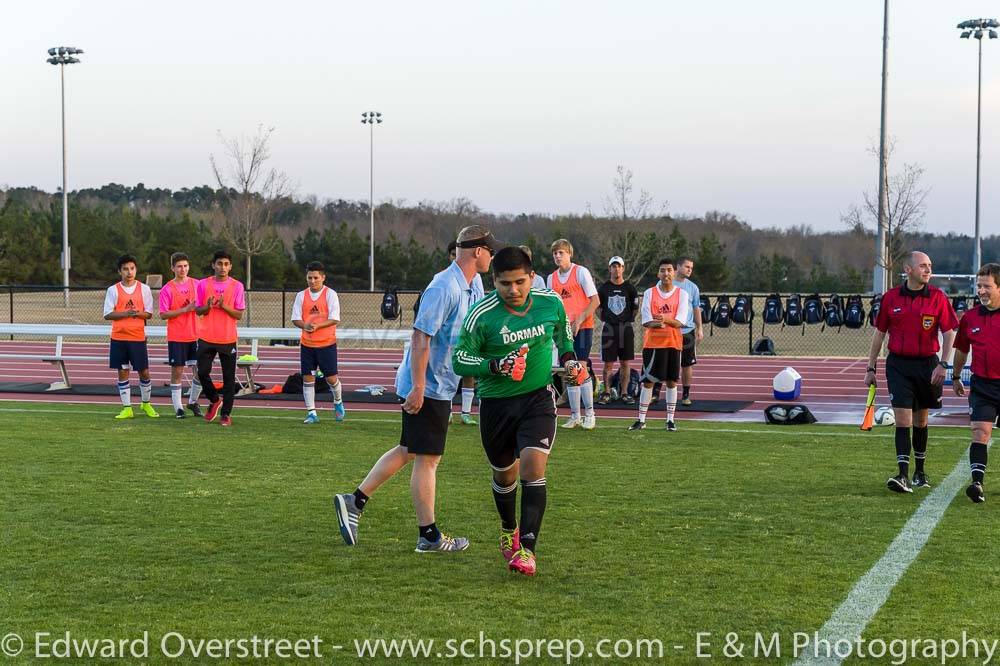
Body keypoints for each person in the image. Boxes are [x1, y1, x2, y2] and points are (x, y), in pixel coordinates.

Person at [333, 225, 502, 552]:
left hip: (440, 382)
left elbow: (477, 327)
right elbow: (420, 336)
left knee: (409, 450)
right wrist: (420, 386)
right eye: (490, 250)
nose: (492, 256)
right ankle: (428, 536)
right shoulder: (443, 286)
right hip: (427, 385)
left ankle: (354, 501)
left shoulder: (474, 284)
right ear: (477, 251)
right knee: (428, 458)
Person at [452, 246, 585, 576]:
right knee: (504, 474)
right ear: (493, 280)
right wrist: (496, 365)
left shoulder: (550, 303)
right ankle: (508, 528)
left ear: (532, 277)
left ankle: (527, 550)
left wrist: (571, 364)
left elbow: (565, 342)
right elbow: (460, 360)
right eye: (505, 284)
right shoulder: (481, 314)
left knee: (533, 467)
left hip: (537, 400)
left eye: (520, 282)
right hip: (496, 406)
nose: (513, 290)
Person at [865, 251, 958, 493]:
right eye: (923, 266)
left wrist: (943, 364)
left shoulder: (938, 297)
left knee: (921, 420)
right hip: (898, 366)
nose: (928, 270)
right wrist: (871, 367)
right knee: (903, 420)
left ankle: (920, 471)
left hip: (928, 365)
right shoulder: (891, 298)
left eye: (930, 266)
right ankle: (902, 475)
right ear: (908, 269)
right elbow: (879, 334)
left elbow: (949, 334)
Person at [951, 262, 1000, 503]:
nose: (981, 291)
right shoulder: (970, 318)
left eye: (987, 286)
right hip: (982, 386)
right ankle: (977, 484)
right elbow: (961, 349)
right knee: (980, 433)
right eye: (979, 286)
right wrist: (957, 376)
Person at [629, 258, 690, 432]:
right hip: (653, 345)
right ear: (658, 273)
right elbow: (647, 321)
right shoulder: (650, 293)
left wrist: (664, 320)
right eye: (663, 270)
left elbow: (680, 321)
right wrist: (660, 323)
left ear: (674, 272)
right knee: (648, 382)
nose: (666, 274)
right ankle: (641, 420)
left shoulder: (682, 294)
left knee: (671, 382)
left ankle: (670, 420)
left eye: (669, 270)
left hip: (673, 343)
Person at [547, 239, 599, 430]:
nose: (557, 256)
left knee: (581, 369)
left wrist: (579, 319)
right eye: (555, 253)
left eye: (561, 252)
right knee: (569, 371)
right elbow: (553, 306)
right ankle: (575, 415)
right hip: (563, 330)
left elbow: (595, 301)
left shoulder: (580, 272)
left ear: (570, 253)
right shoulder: (551, 278)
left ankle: (590, 414)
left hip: (583, 327)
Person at [195, 250, 246, 427]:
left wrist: (224, 306)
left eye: (226, 264)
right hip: (206, 336)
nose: (222, 267)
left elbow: (238, 314)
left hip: (227, 338)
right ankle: (214, 400)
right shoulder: (202, 284)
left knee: (229, 379)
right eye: (219, 264)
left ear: (230, 266)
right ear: (213, 265)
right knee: (202, 372)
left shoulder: (237, 286)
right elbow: (198, 310)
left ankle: (226, 414)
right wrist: (207, 307)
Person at [103, 254, 158, 419]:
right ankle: (127, 408)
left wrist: (136, 314)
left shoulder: (144, 289)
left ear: (136, 270)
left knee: (144, 372)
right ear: (120, 271)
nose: (129, 272)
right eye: (125, 269)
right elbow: (107, 314)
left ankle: (146, 404)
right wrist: (125, 314)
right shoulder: (113, 290)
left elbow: (148, 314)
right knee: (123, 372)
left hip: (137, 338)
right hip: (119, 338)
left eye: (132, 268)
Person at [291, 261, 345, 424]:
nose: (312, 281)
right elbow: (295, 319)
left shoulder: (330, 294)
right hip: (307, 345)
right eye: (309, 278)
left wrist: (317, 325)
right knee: (307, 378)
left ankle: (338, 401)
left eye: (315, 278)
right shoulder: (301, 295)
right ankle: (312, 413)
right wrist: (304, 325)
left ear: (323, 277)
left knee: (331, 378)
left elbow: (335, 318)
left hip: (326, 344)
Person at [158, 252, 203, 418]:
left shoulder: (197, 285)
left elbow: (203, 306)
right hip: (177, 336)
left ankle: (192, 401)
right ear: (172, 268)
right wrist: (185, 309)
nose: (182, 269)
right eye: (179, 266)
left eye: (185, 266)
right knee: (177, 372)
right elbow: (163, 314)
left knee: (201, 371)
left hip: (197, 335)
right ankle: (178, 408)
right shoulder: (167, 289)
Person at [446, 240, 484, 425]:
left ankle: (466, 413)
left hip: (470, 332)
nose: (455, 257)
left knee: (468, 372)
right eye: (452, 254)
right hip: (451, 334)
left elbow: (481, 303)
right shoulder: (447, 280)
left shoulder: (476, 278)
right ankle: (446, 410)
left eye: (457, 253)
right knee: (448, 372)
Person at [596, 256, 639, 405]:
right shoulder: (603, 288)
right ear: (610, 269)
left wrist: (625, 320)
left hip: (625, 328)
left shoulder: (630, 288)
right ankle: (607, 392)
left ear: (623, 268)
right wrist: (606, 320)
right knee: (608, 364)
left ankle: (625, 393)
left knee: (625, 363)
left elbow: (635, 309)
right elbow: (597, 307)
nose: (616, 269)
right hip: (609, 328)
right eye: (613, 266)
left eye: (619, 266)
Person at [674, 257, 703, 406]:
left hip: (687, 331)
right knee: (666, 363)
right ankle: (656, 392)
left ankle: (685, 394)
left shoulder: (693, 287)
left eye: (691, 267)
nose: (689, 269)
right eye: (686, 266)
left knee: (687, 364)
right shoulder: (665, 283)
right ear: (678, 266)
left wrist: (700, 328)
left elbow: (696, 308)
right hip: (669, 331)